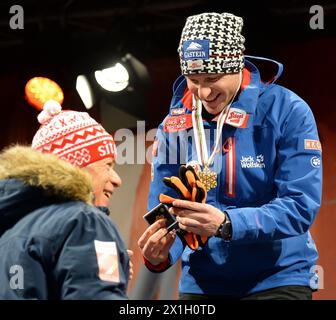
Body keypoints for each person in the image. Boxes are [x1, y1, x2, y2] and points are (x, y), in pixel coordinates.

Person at [138, 12, 322, 300]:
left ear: (238, 64)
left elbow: (300, 206)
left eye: (213, 78)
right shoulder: (174, 125)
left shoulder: (288, 111)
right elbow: (166, 208)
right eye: (193, 79)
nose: (204, 91)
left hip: (278, 279)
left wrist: (227, 223)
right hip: (201, 283)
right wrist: (162, 250)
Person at [0, 100, 132, 299]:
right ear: (78, 166)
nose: (117, 180)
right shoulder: (84, 222)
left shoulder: (9, 233)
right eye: (108, 165)